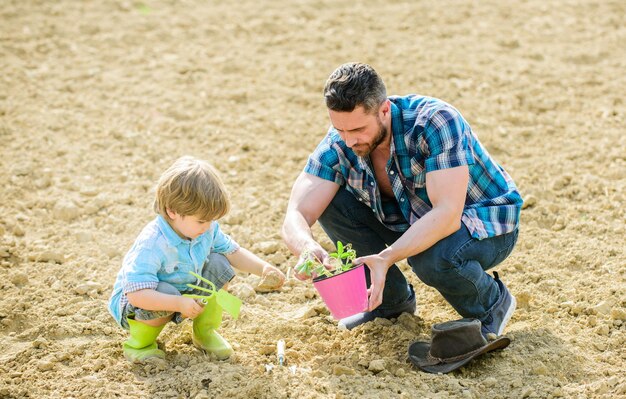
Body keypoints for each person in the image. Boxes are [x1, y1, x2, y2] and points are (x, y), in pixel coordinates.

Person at [282, 62, 522, 335]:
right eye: (340, 130)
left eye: (358, 129)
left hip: (484, 223)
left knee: (431, 258)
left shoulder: (435, 121)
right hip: (413, 220)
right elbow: (295, 213)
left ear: (384, 110)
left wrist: (387, 257)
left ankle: (490, 305)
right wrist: (306, 246)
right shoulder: (339, 143)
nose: (349, 141)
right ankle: (389, 303)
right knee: (332, 202)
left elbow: (447, 214)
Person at [108, 156, 285, 363]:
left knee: (219, 264)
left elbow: (233, 251)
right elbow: (137, 295)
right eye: (202, 221)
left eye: (212, 220)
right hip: (143, 301)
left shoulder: (205, 230)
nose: (208, 227)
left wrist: (264, 268)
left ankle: (205, 332)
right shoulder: (153, 243)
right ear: (172, 211)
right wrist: (178, 302)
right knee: (164, 291)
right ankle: (140, 345)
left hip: (183, 291)